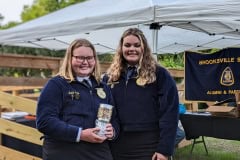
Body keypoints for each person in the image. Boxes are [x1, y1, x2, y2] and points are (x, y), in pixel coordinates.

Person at [102, 28, 179, 160]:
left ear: (144, 48)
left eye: (137, 45)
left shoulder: (160, 75)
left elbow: (170, 113)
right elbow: (105, 109)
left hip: (149, 145)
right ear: (121, 48)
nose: (132, 49)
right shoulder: (109, 78)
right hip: (118, 145)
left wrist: (164, 149)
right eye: (127, 45)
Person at [36, 39, 119, 160]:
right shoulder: (56, 85)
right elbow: (44, 121)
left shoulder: (103, 87)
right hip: (64, 151)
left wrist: (112, 132)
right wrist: (80, 134)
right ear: (70, 59)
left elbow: (115, 119)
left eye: (89, 58)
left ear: (95, 60)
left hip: (98, 152)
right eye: (80, 58)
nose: (85, 62)